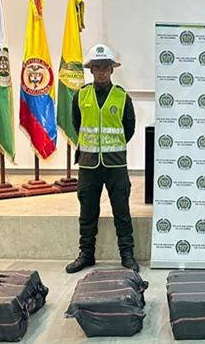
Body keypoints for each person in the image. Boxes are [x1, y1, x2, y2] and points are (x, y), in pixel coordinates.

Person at [65, 44, 139, 273]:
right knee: (87, 213)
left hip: (115, 163)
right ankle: (86, 255)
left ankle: (127, 255)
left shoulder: (122, 97)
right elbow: (77, 124)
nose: (102, 72)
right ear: (91, 69)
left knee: (122, 212)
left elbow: (129, 128)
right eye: (97, 67)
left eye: (106, 67)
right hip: (88, 164)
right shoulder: (80, 96)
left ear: (112, 69)